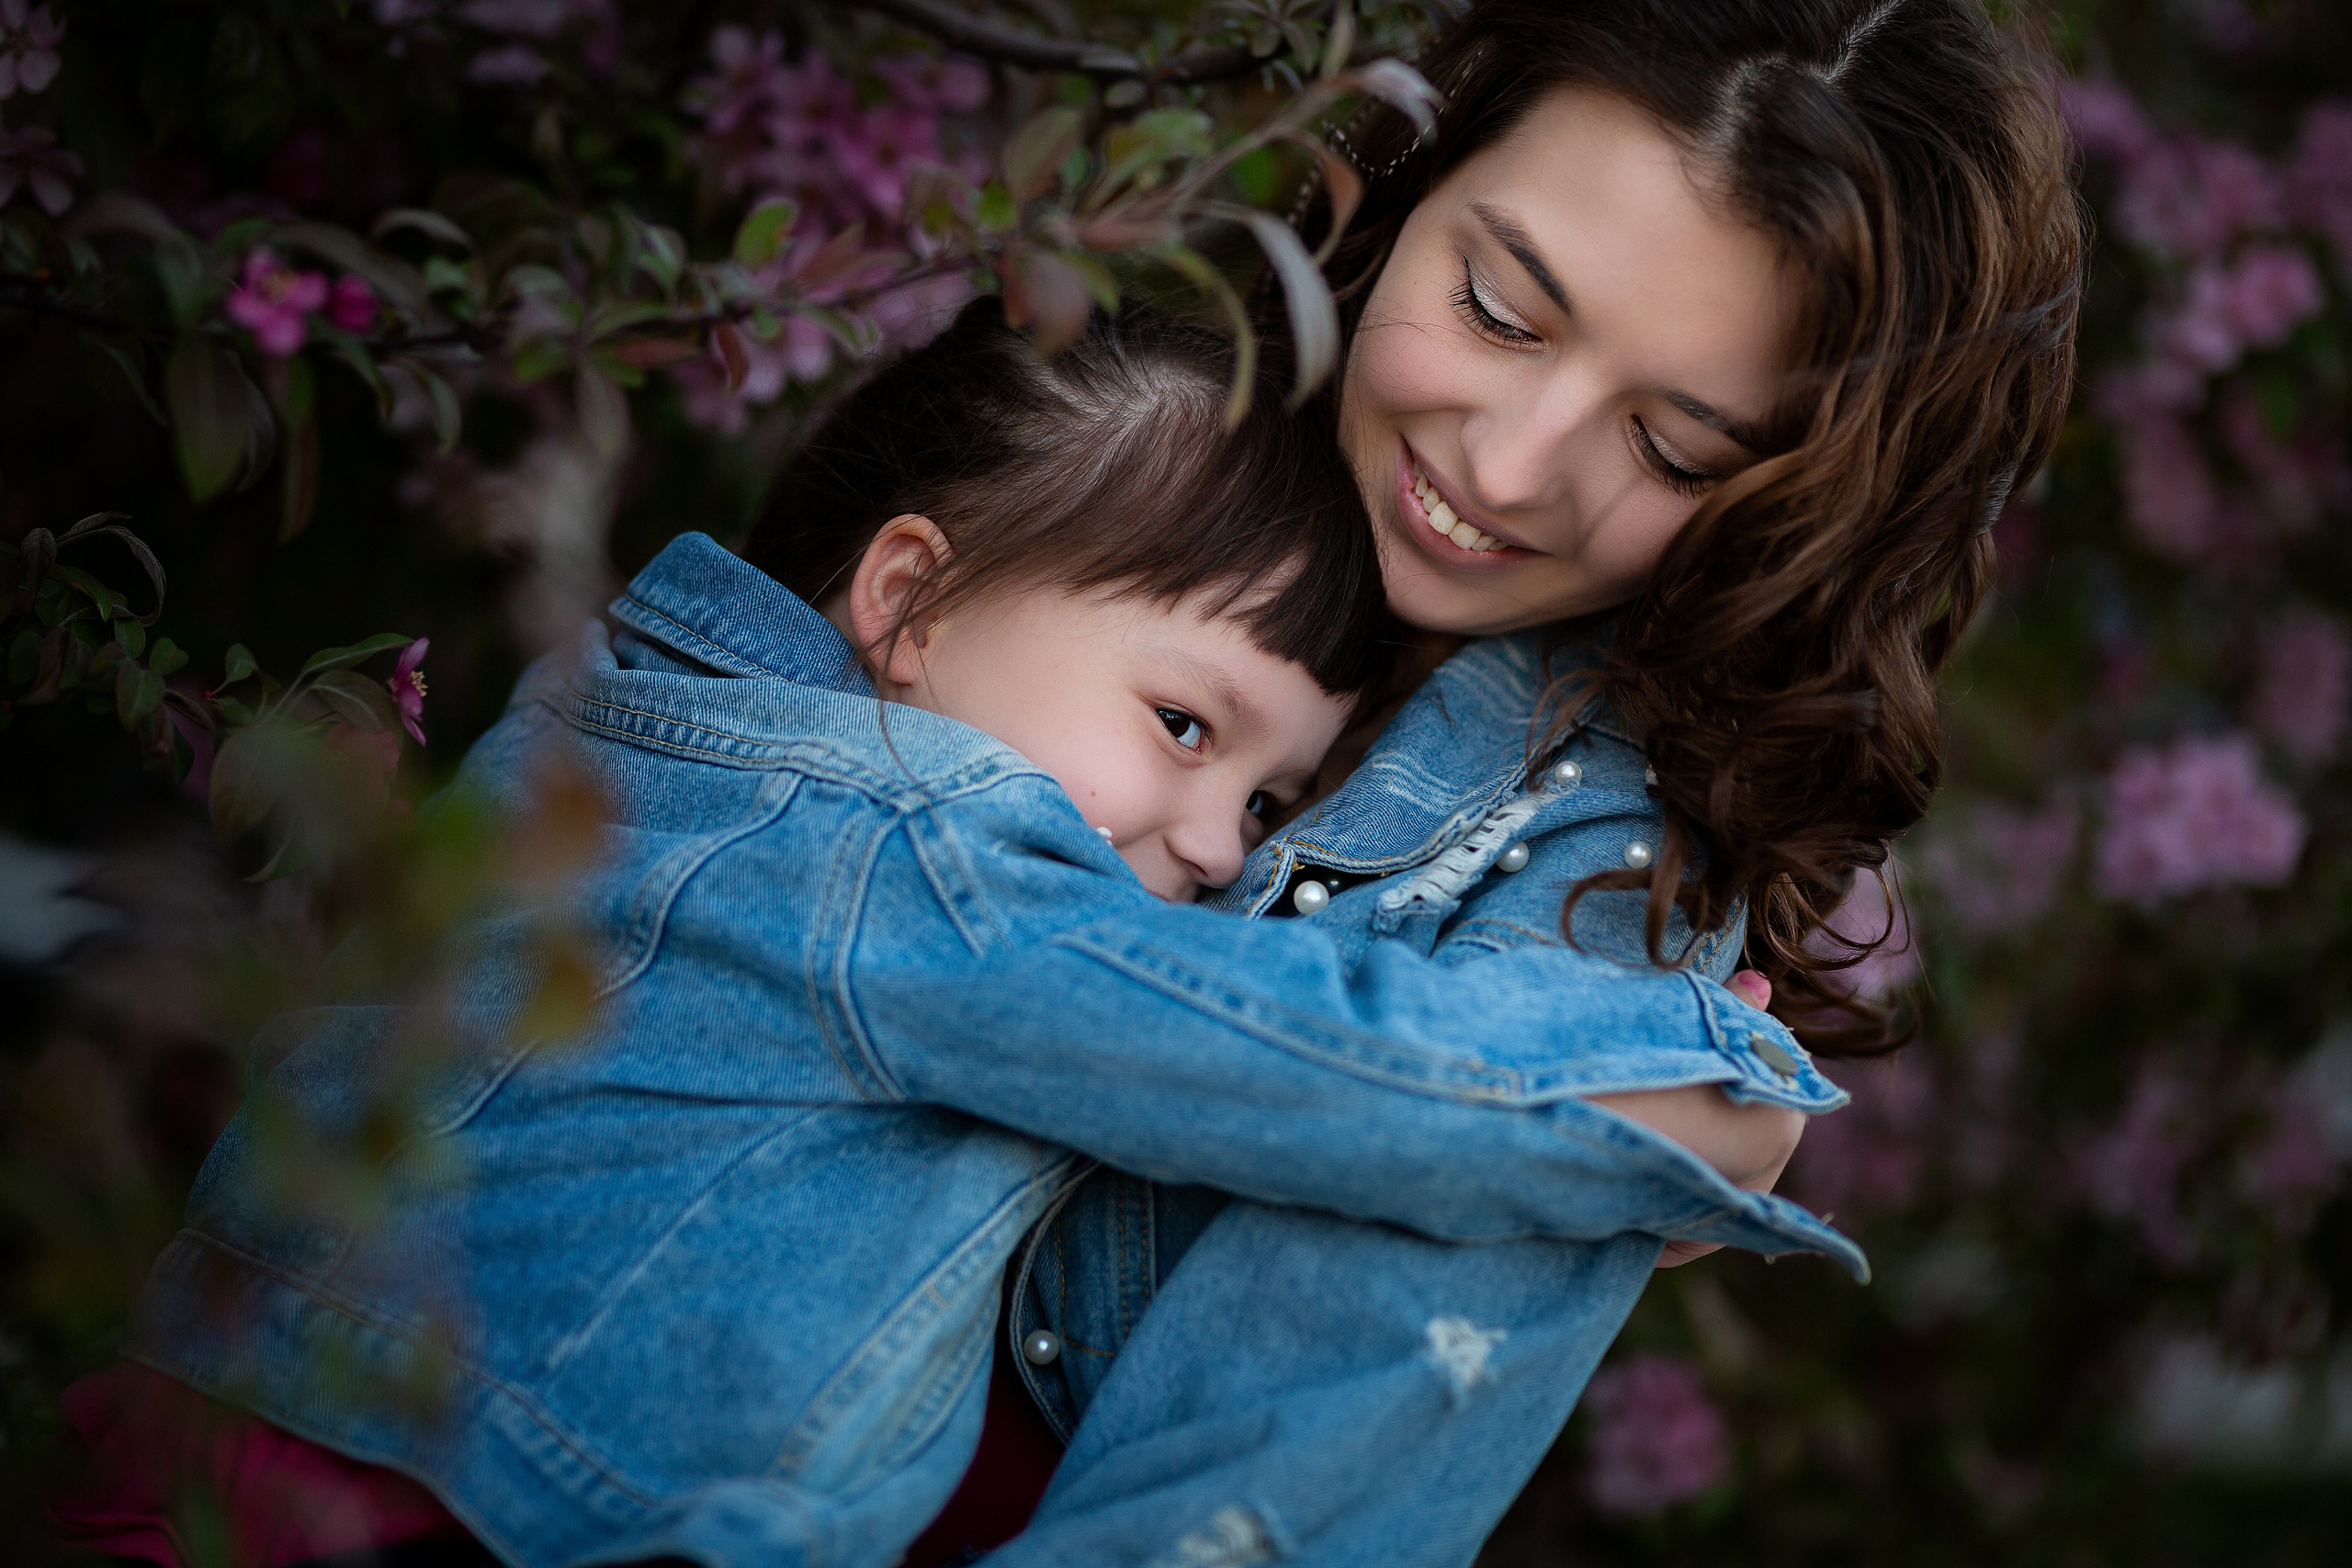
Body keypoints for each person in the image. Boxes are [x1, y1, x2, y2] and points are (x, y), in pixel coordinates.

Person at [71, 301, 1850, 1568]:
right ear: (910, 601)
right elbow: (1249, 1040)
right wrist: (1654, 1097)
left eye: (1261, 800)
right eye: (1182, 723)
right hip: (419, 1507)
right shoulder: (887, 854)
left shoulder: (626, 749)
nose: (1208, 844)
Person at [980, 0, 2082, 1562]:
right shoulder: (1081, 423)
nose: (1506, 468)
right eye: (1500, 310)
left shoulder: (1600, 890)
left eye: (1681, 452)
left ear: (1802, 509)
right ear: (1412, 167)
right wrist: (1558, 1116)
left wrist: (1605, 1110)